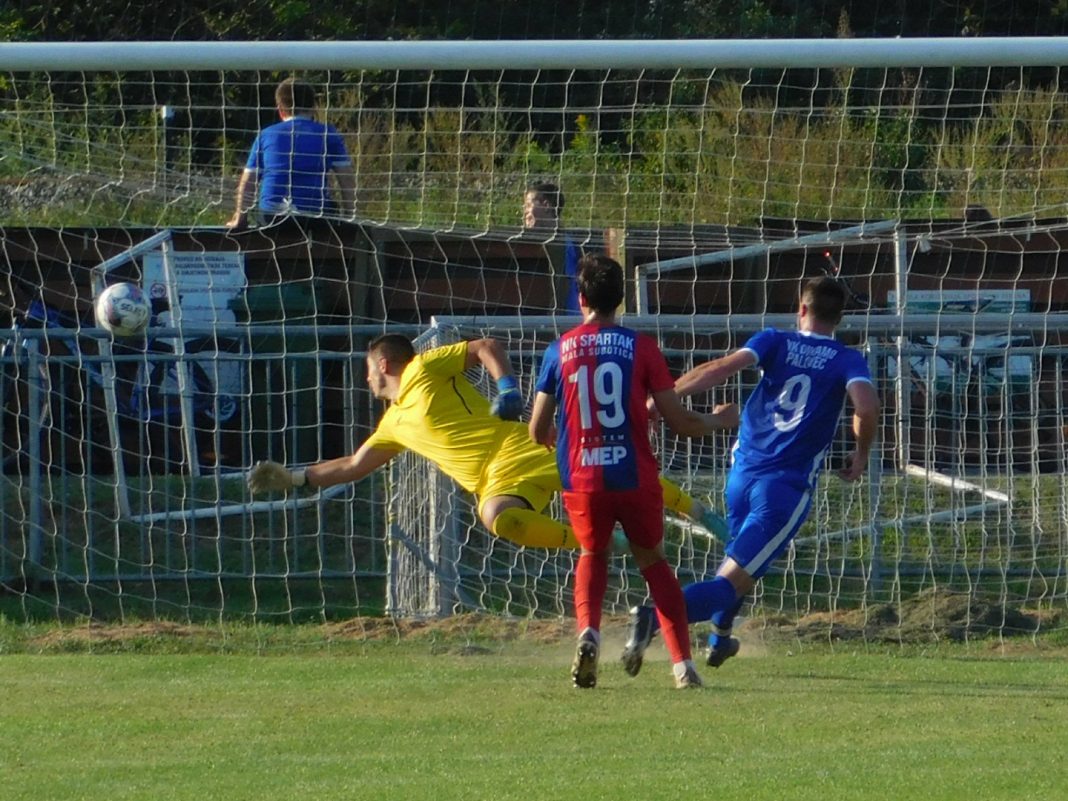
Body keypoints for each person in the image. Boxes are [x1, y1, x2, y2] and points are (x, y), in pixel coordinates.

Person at [247, 332, 729, 551]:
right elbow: (353, 464)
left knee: (617, 482)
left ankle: (702, 513)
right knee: (497, 517)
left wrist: (506, 388)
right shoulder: (392, 425)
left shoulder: (422, 369)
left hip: (518, 447)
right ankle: (606, 546)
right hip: (492, 480)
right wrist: (292, 477)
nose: (366, 377)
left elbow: (485, 347)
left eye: (368, 368)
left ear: (385, 364)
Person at [621, 276, 881, 676]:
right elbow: (866, 406)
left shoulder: (774, 340)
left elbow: (719, 369)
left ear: (801, 309)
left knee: (741, 566)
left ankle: (721, 636)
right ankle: (654, 617)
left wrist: (661, 399)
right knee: (731, 579)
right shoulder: (848, 359)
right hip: (784, 488)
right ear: (840, 317)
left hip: (741, 476)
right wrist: (861, 453)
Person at [529, 254, 739, 690]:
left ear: (581, 297)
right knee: (653, 562)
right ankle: (682, 666)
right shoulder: (642, 347)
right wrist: (721, 419)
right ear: (620, 299)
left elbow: (536, 430)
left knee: (593, 554)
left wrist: (561, 435)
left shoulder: (558, 349)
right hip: (634, 474)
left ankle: (589, 631)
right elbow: (679, 422)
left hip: (582, 476)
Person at [226, 77, 356, 228]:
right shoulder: (328, 134)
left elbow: (248, 181)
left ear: (280, 109)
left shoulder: (266, 135)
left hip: (272, 216)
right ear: (314, 107)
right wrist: (349, 218)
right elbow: (346, 180)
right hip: (314, 216)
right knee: (330, 210)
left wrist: (240, 219)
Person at [522, 181, 581, 314]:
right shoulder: (528, 245)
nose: (525, 211)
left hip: (566, 321)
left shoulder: (566, 245)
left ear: (546, 206)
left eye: (529, 205)